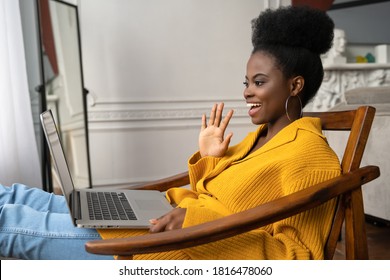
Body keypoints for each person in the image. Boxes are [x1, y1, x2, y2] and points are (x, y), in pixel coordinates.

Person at [0, 5, 340, 260]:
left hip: (175, 249)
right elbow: (211, 196)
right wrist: (210, 159)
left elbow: (297, 257)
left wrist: (192, 222)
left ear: (295, 85)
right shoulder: (258, 138)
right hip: (163, 219)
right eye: (246, 82)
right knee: (19, 198)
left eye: (259, 82)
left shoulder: (310, 156)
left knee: (11, 223)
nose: (247, 92)